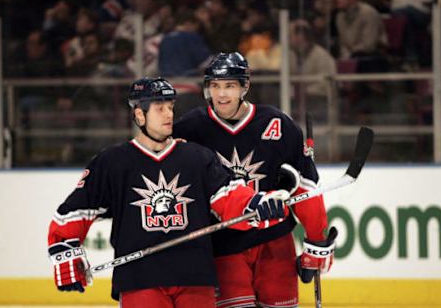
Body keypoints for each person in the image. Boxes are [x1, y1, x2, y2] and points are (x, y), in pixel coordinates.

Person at [47, 77, 291, 308]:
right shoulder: (113, 162)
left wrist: (258, 204)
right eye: (159, 108)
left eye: (170, 107)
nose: (169, 115)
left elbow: (229, 196)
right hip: (140, 279)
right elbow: (76, 209)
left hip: (195, 277)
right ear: (139, 114)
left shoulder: (197, 157)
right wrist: (64, 250)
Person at [173, 52, 336, 308]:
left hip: (275, 242)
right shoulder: (190, 129)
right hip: (223, 244)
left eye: (229, 86)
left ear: (244, 87)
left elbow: (304, 188)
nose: (221, 95)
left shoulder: (279, 125)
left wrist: (316, 241)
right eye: (215, 86)